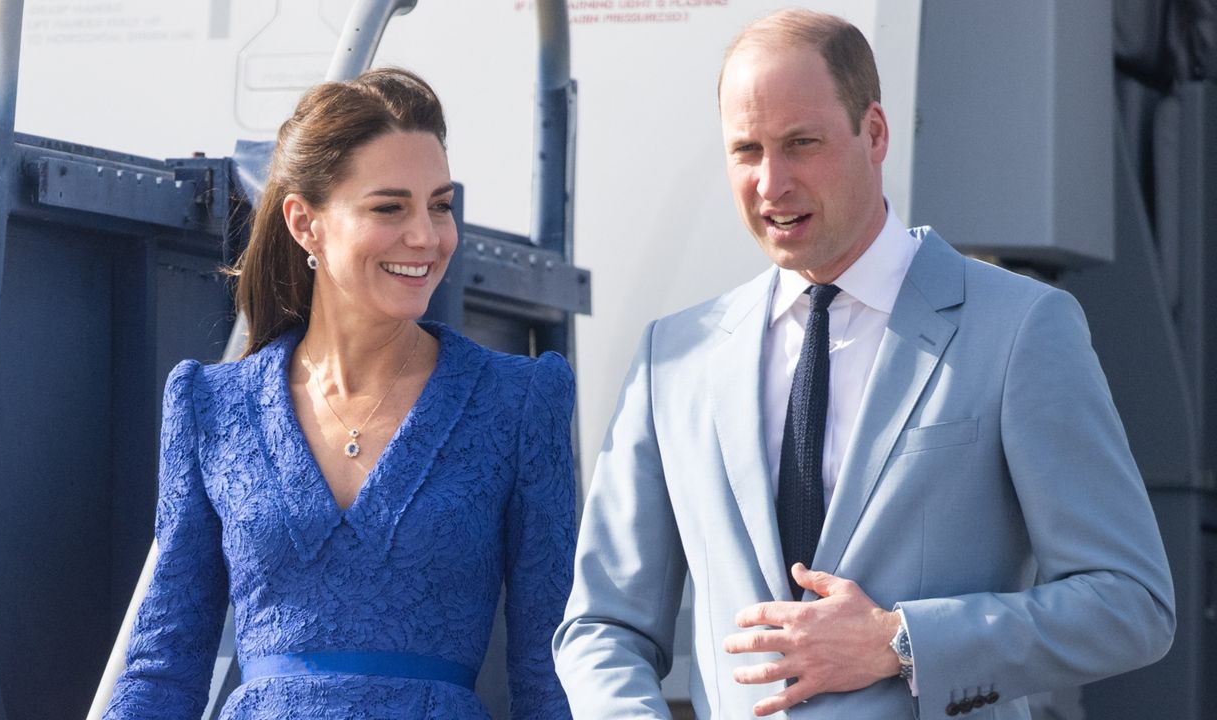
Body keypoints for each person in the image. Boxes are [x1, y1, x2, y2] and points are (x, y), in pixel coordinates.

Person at [554, 8, 1174, 719]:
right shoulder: (675, 357)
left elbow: (1131, 601)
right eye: (746, 149)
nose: (771, 182)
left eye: (801, 143)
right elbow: (603, 627)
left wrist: (900, 642)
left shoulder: (1019, 329)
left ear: (874, 133)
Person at [103, 68, 576, 719]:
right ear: (305, 224)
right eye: (390, 207)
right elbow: (164, 669)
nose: (427, 237)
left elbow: (551, 674)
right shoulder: (208, 406)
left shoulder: (521, 401)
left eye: (439, 205)